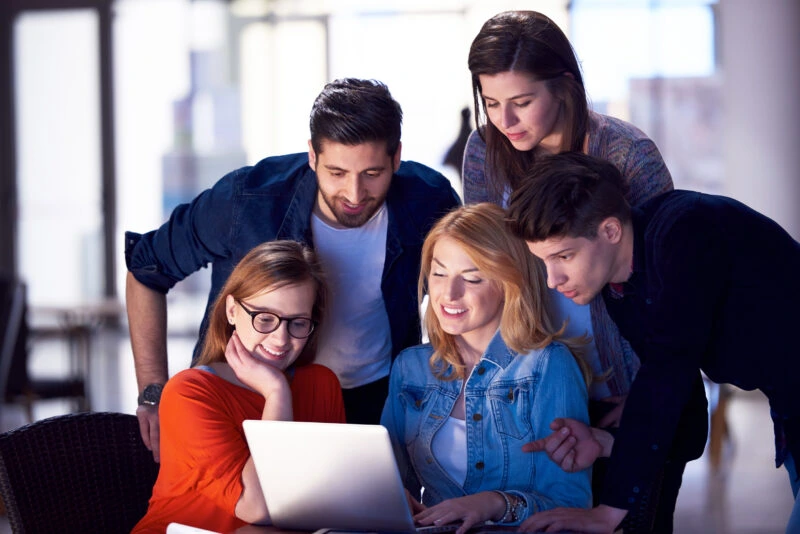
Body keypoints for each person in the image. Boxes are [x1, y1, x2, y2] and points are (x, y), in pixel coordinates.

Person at [125, 78, 461, 458]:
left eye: (372, 174)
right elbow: (145, 271)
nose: (354, 194)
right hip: (253, 391)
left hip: (378, 401)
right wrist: (152, 393)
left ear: (396, 158)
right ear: (312, 156)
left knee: (371, 515)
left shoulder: (428, 200)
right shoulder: (246, 200)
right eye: (336, 173)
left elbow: (468, 295)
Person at [505, 152, 800, 534]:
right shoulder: (619, 288)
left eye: (564, 256)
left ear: (610, 231)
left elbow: (667, 374)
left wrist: (608, 511)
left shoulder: (685, 231)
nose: (552, 280)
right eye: (544, 261)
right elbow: (686, 409)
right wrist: (613, 440)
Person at [464, 9, 673, 416]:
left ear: (563, 87)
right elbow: (484, 263)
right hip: (529, 383)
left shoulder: (628, 153)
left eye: (522, 102)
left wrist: (649, 394)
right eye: (491, 103)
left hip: (623, 379)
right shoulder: (483, 151)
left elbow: (665, 285)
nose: (505, 120)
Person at [380, 203, 592, 533]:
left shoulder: (549, 365)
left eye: (472, 278)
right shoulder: (410, 368)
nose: (448, 294)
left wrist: (494, 503)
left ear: (510, 284)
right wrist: (393, 500)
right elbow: (389, 482)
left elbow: (572, 504)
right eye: (439, 274)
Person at [131, 240, 346, 533]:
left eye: (297, 323)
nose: (281, 340)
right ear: (232, 310)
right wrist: (276, 393)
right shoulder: (189, 393)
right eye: (265, 319)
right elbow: (257, 506)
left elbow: (327, 493)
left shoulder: (321, 384)